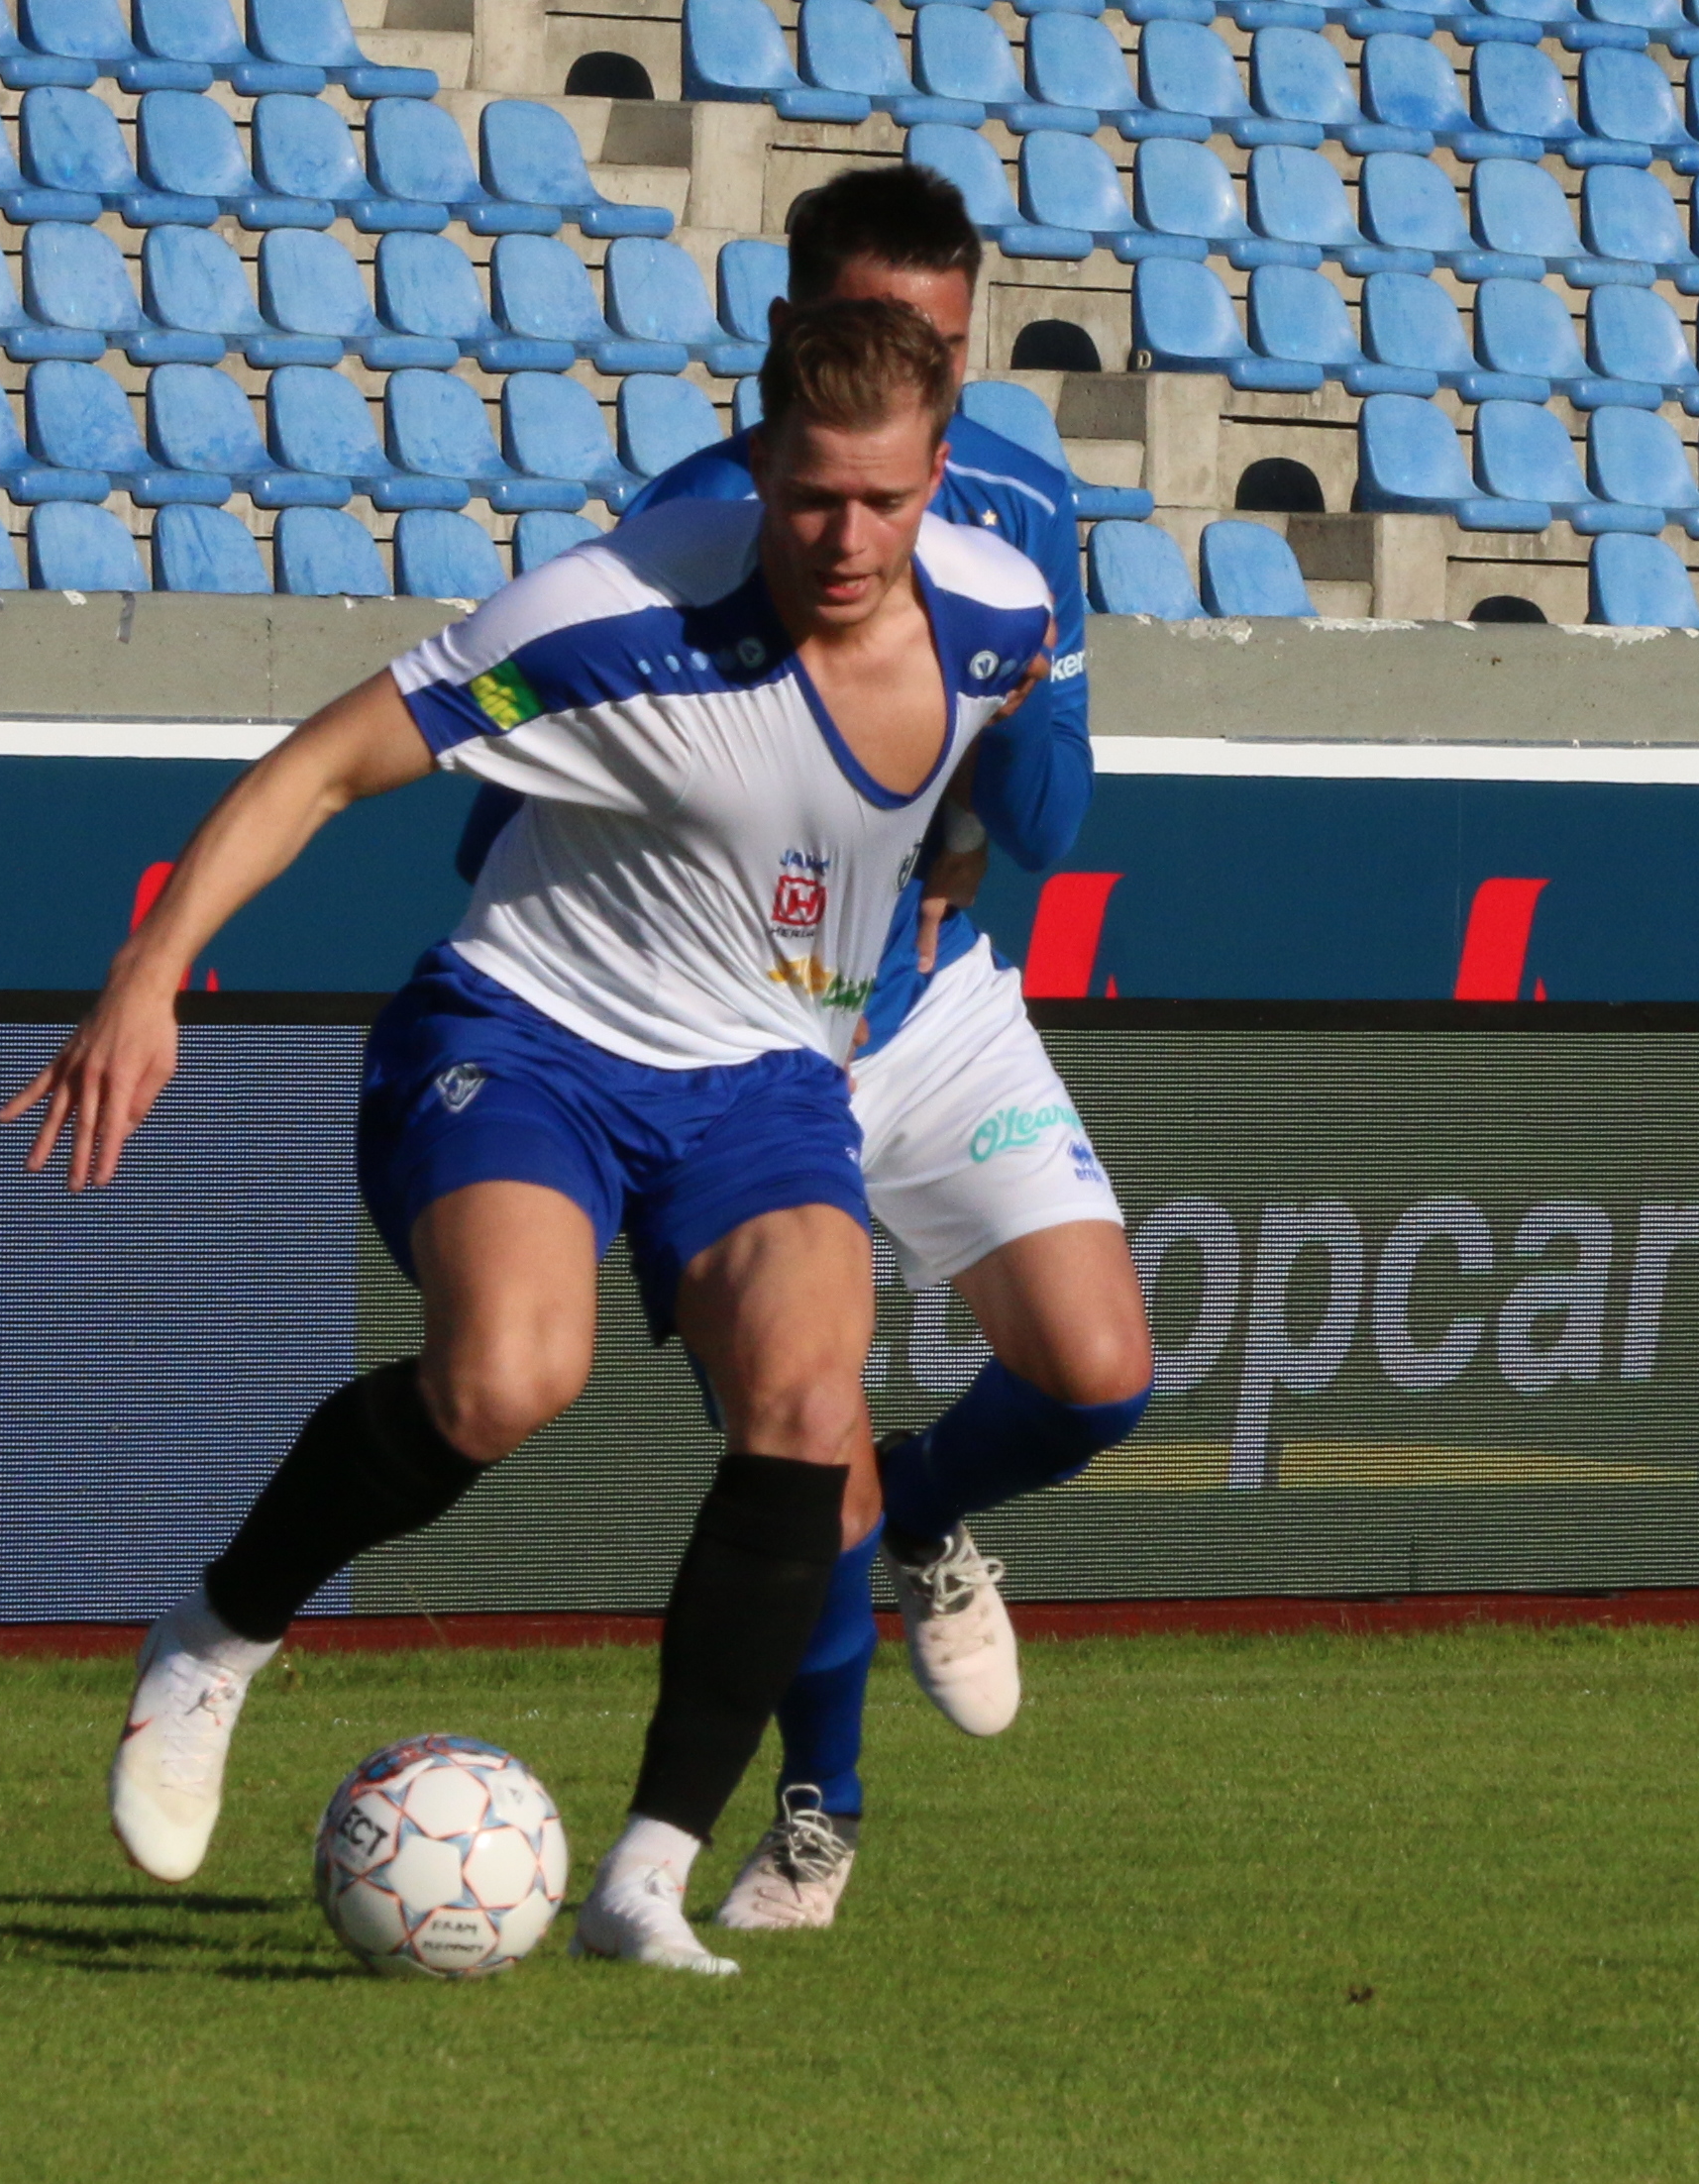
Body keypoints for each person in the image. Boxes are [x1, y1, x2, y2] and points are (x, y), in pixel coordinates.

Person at [2, 299, 1053, 1977]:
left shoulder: (1002, 613)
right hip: (525, 1040)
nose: (844, 538)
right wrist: (148, 973)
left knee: (807, 1407)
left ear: (938, 477)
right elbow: (323, 766)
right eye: (808, 497)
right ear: (760, 462)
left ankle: (645, 1879)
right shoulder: (609, 613)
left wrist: (941, 876)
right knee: (507, 1376)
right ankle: (214, 1635)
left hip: (764, 1082)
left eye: (881, 500)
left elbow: (962, 774)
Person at [455, 162, 1157, 1932]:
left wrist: (994, 770)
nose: (904, 368)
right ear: (787, 339)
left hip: (929, 1003)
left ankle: (928, 1509)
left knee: (1097, 1376)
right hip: (747, 1041)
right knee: (800, 1458)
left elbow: (1049, 816)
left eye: (940, 344)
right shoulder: (701, 517)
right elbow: (523, 798)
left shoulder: (1020, 507)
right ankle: (814, 1814)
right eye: (864, 329)